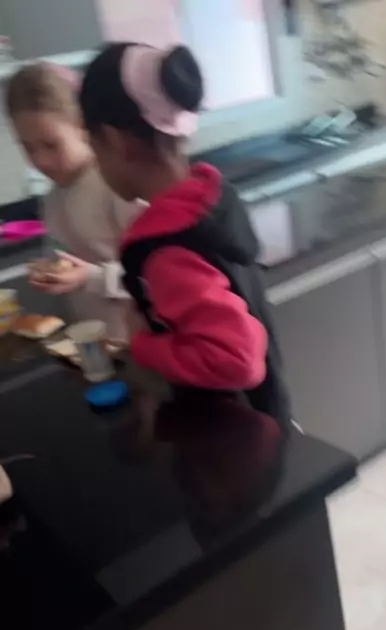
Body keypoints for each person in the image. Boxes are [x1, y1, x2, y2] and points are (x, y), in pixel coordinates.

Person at [80, 42, 290, 420]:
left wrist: (142, 343)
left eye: (94, 148)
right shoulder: (210, 200)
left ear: (116, 141)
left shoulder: (168, 248)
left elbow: (238, 361)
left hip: (231, 433)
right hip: (266, 410)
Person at [5, 62, 144, 339]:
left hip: (137, 342)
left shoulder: (117, 187)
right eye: (28, 148)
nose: (40, 161)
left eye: (51, 144)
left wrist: (89, 277)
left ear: (82, 126)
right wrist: (48, 270)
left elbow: (156, 278)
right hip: (92, 342)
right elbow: (63, 255)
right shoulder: (53, 198)